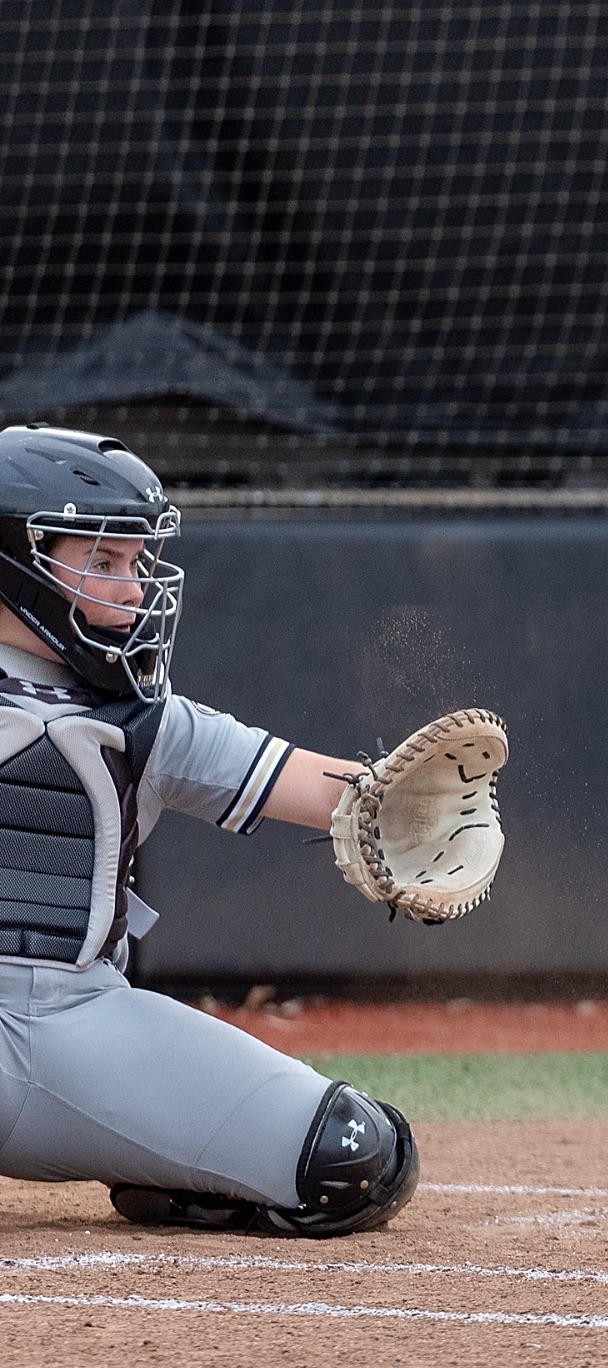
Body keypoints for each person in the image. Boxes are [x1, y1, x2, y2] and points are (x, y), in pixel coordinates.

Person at [0, 424, 423, 1237]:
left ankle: (164, 1181)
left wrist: (413, 809)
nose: (131, 589)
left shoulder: (151, 720)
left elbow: (322, 788)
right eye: (101, 560)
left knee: (354, 1157)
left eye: (136, 562)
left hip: (82, 1030)